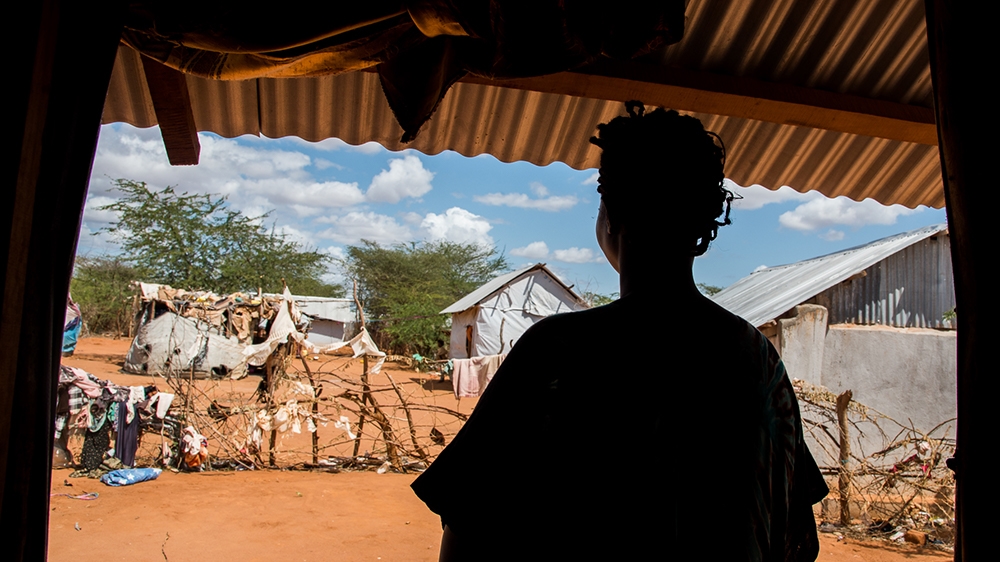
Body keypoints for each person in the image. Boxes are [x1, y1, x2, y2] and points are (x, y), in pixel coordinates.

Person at [411, 102, 828, 561]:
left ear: (609, 215)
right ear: (705, 223)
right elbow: (797, 540)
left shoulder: (560, 351)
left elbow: (470, 527)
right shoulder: (758, 361)